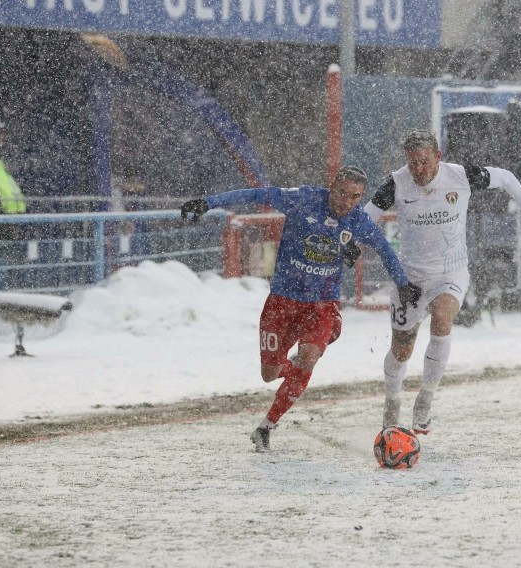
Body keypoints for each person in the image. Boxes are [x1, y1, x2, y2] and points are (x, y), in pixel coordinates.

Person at [180, 166, 421, 452]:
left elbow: (384, 250)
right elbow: (257, 194)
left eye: (354, 197)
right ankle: (295, 370)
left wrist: (403, 284)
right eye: (342, 193)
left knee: (308, 356)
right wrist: (209, 203)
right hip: (283, 301)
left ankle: (266, 427)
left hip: (322, 304)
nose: (346, 201)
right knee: (269, 374)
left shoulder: (359, 221)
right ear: (332, 186)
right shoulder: (302, 199)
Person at [364, 129, 521, 434]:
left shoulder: (461, 176)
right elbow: (365, 218)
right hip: (409, 276)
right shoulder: (396, 183)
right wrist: (348, 243)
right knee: (402, 348)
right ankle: (392, 402)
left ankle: (425, 399)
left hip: (451, 271)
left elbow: (504, 177)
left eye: (424, 162)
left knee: (442, 317)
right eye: (412, 163)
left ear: (437, 156)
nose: (418, 169)